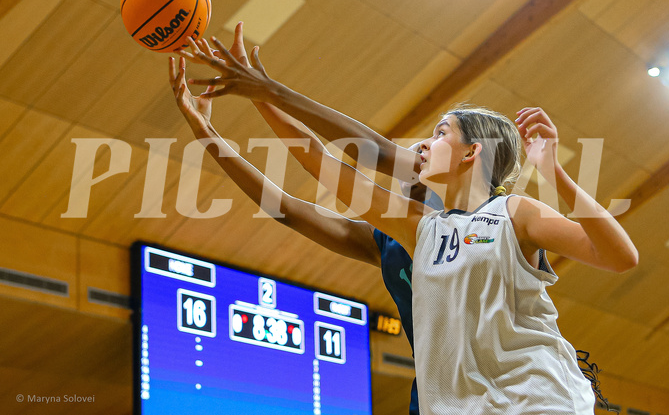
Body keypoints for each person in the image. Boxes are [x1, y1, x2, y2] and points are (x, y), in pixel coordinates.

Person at [184, 38, 639, 414]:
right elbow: (318, 161)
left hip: (538, 402)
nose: (423, 143)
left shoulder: (515, 213)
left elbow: (621, 257)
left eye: (440, 133)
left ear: (471, 153)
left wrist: (555, 172)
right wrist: (246, 106)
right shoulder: (417, 228)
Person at [171, 23, 443, 414]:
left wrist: (262, 91)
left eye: (432, 146)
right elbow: (285, 207)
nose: (419, 153)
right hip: (438, 398)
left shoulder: (482, 221)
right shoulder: (387, 242)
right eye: (418, 147)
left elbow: (342, 152)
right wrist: (207, 133)